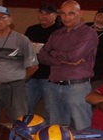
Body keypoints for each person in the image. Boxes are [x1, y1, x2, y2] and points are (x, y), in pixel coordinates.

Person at [38, 0, 98, 130]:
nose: (66, 17)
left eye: (71, 13)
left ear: (80, 13)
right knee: (55, 130)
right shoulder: (56, 34)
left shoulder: (88, 33)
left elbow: (74, 56)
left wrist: (53, 53)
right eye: (63, 14)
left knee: (83, 128)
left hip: (77, 86)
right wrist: (64, 60)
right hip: (53, 85)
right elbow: (42, 56)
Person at [0, 6, 38, 123]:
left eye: (1, 17)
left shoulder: (21, 40)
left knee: (20, 122)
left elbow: (33, 66)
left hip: (14, 89)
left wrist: (18, 81)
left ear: (10, 20)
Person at [24, 4, 62, 117]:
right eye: (41, 13)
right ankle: (26, 130)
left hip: (50, 76)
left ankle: (50, 132)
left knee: (51, 107)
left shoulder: (60, 31)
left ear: (55, 16)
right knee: (26, 105)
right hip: (32, 73)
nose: (43, 16)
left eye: (48, 13)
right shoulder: (32, 29)